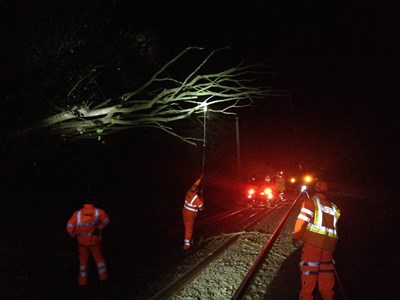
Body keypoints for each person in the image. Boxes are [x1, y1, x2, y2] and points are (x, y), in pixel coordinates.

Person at [292, 180, 341, 300]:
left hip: (313, 245)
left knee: (309, 273)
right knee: (326, 275)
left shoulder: (310, 202)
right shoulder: (334, 208)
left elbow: (302, 221)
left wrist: (296, 235)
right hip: (329, 247)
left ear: (314, 190)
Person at [66, 196, 110, 286]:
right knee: (99, 260)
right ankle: (104, 278)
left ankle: (83, 282)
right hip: (95, 242)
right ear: (93, 203)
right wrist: (99, 227)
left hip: (82, 242)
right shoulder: (98, 212)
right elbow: (106, 220)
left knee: (83, 262)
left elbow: (69, 227)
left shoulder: (77, 214)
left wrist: (74, 234)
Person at [182, 176, 204, 251]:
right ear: (196, 191)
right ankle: (187, 245)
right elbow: (201, 208)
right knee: (189, 228)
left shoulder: (189, 191)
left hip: (184, 212)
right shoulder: (196, 198)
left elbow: (195, 184)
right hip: (190, 215)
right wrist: (202, 199)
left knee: (187, 226)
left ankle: (190, 240)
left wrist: (200, 179)